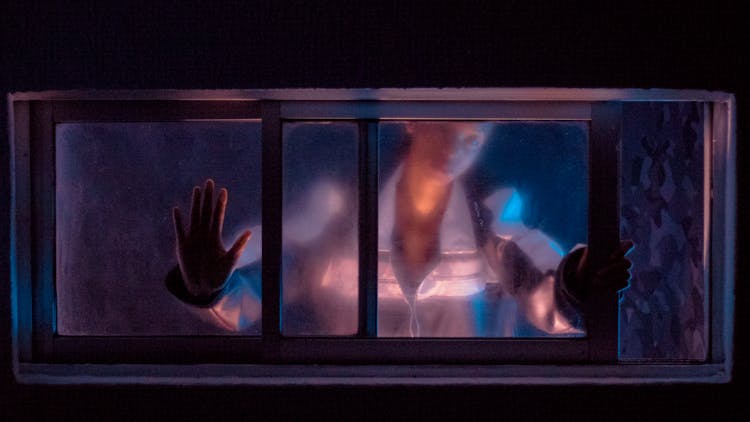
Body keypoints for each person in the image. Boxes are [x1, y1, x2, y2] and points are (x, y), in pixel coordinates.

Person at [166, 122, 633, 337]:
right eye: (446, 125)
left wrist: (577, 282)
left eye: (474, 135)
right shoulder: (338, 216)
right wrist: (212, 290)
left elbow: (545, 286)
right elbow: (263, 288)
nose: (458, 144)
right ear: (411, 120)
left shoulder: (491, 219)